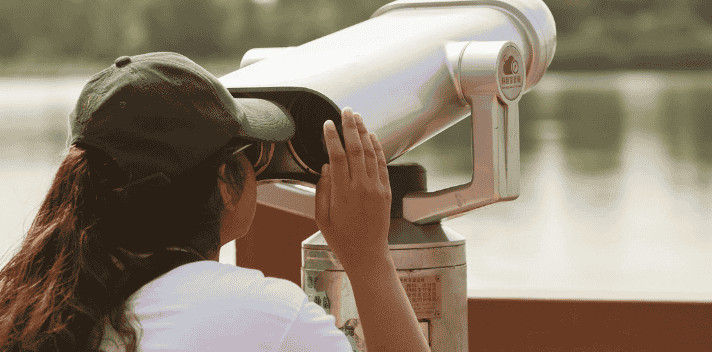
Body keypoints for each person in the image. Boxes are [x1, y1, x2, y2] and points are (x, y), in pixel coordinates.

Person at [0, 52, 430, 352]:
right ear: (226, 181)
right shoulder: (266, 319)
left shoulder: (34, 312)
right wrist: (367, 258)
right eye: (250, 154)